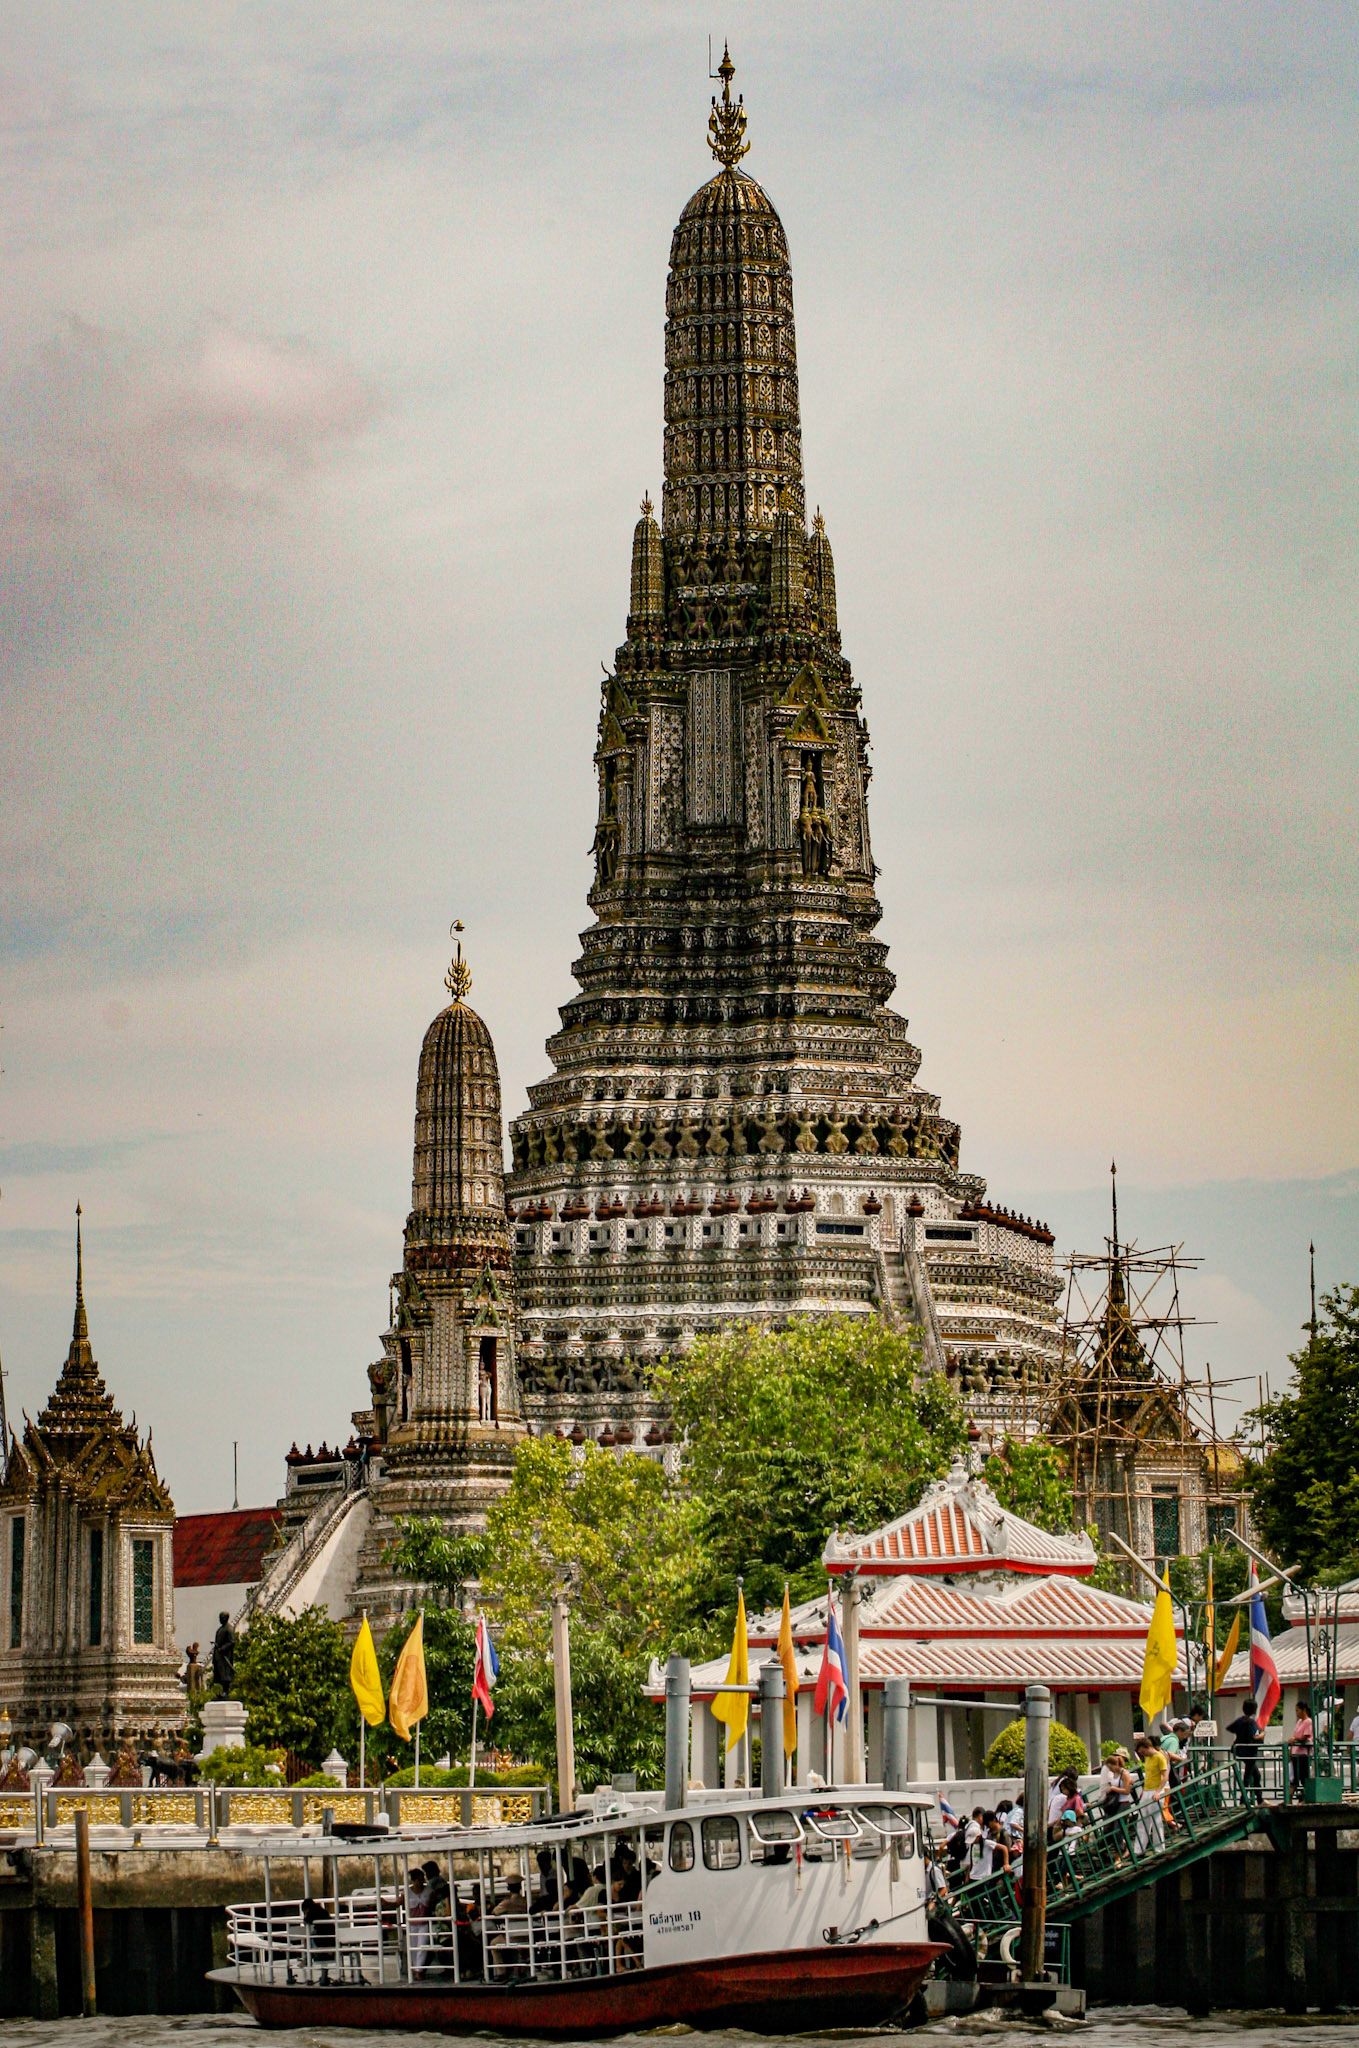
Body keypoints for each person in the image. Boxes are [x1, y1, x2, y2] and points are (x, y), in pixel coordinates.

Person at [1133, 1734, 1168, 1851]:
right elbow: (1148, 1776)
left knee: (1156, 1820)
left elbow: (1164, 1776)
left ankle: (1159, 1848)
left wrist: (1158, 1792)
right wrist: (1143, 1790)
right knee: (1142, 1819)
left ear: (1148, 1747)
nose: (1143, 1755)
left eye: (1143, 1752)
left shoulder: (1159, 1757)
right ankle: (1139, 1848)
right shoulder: (1147, 1758)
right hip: (1147, 1790)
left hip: (1156, 1790)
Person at [1226, 1701, 1262, 1798]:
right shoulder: (1251, 1722)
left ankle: (1256, 1798)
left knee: (1255, 1775)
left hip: (1240, 1750)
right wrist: (1263, 1734)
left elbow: (1229, 1728)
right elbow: (1255, 1736)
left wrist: (1240, 1733)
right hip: (1250, 1751)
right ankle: (1247, 1798)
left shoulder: (1240, 1720)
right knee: (1249, 1775)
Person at [1098, 1748, 1134, 1818]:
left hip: (1119, 1801)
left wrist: (1114, 1788)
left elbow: (1126, 1790)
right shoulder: (1111, 1770)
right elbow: (1111, 1783)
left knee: (1116, 1825)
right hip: (1111, 1801)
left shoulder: (1122, 1773)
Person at [1289, 1702, 1314, 1792]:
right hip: (1296, 1753)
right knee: (1294, 1778)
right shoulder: (1299, 1722)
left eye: (1297, 1710)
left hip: (1303, 1754)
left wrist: (1295, 1739)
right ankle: (1291, 1798)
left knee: (1304, 1777)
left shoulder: (1309, 1722)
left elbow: (1306, 1736)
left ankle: (1304, 1797)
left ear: (1304, 1710)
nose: (1296, 1713)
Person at [211, 1612, 235, 1692]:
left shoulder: (229, 1629)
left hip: (226, 1656)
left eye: (222, 1617)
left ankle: (226, 1691)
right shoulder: (220, 1629)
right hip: (219, 1656)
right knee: (220, 1674)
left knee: (226, 1675)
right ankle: (223, 1691)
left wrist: (223, 1648)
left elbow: (232, 1642)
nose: (220, 1619)